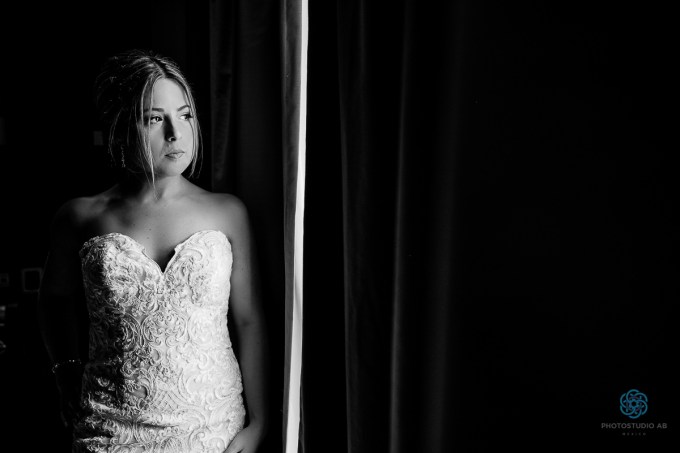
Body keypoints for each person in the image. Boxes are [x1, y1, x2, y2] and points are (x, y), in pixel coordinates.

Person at [37, 49, 269, 453]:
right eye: (155, 119)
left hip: (214, 429)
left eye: (185, 115)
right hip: (110, 429)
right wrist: (65, 371)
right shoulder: (80, 216)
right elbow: (53, 300)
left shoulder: (228, 212)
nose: (176, 134)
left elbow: (249, 321)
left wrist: (260, 422)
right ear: (121, 127)